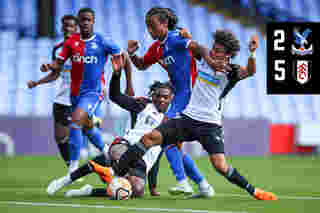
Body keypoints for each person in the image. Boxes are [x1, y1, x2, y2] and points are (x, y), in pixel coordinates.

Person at [102, 29, 278, 201]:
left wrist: (253, 53)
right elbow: (195, 48)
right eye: (213, 48)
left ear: (228, 55)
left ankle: (253, 190)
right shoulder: (203, 59)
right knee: (149, 138)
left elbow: (251, 71)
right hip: (187, 118)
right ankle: (115, 174)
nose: (213, 52)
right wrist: (188, 37)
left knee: (220, 166)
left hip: (210, 125)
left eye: (218, 51)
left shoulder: (231, 72)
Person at [46, 68, 174, 198]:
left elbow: (158, 153)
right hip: (126, 146)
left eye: (165, 97)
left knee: (135, 191)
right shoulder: (144, 105)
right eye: (158, 96)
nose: (161, 100)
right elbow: (115, 96)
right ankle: (65, 180)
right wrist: (116, 75)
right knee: (117, 156)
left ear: (171, 98)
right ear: (152, 96)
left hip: (143, 162)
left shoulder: (172, 122)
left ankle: (89, 190)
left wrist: (152, 187)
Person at [127, 7, 213, 197]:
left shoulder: (176, 38)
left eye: (153, 26)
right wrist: (132, 54)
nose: (149, 31)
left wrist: (212, 63)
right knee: (171, 142)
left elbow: (200, 50)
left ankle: (183, 182)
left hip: (190, 94)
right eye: (147, 27)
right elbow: (142, 65)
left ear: (165, 24)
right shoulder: (157, 48)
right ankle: (203, 185)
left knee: (166, 136)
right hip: (178, 96)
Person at [40, 8, 134, 175]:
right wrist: (49, 66)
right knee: (88, 127)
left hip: (93, 92)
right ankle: (106, 151)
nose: (85, 23)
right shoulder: (71, 43)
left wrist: (129, 85)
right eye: (82, 20)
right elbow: (59, 63)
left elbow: (124, 57)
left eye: (88, 19)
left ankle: (73, 166)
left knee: (76, 121)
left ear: (93, 21)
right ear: (78, 22)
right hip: (75, 93)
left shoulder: (103, 41)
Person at [27, 15, 82, 167]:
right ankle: (72, 168)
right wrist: (37, 82)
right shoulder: (58, 49)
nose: (67, 29)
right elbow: (55, 74)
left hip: (80, 96)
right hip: (62, 98)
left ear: (76, 28)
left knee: (84, 131)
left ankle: (106, 162)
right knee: (60, 137)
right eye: (65, 26)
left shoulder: (84, 47)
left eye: (71, 26)